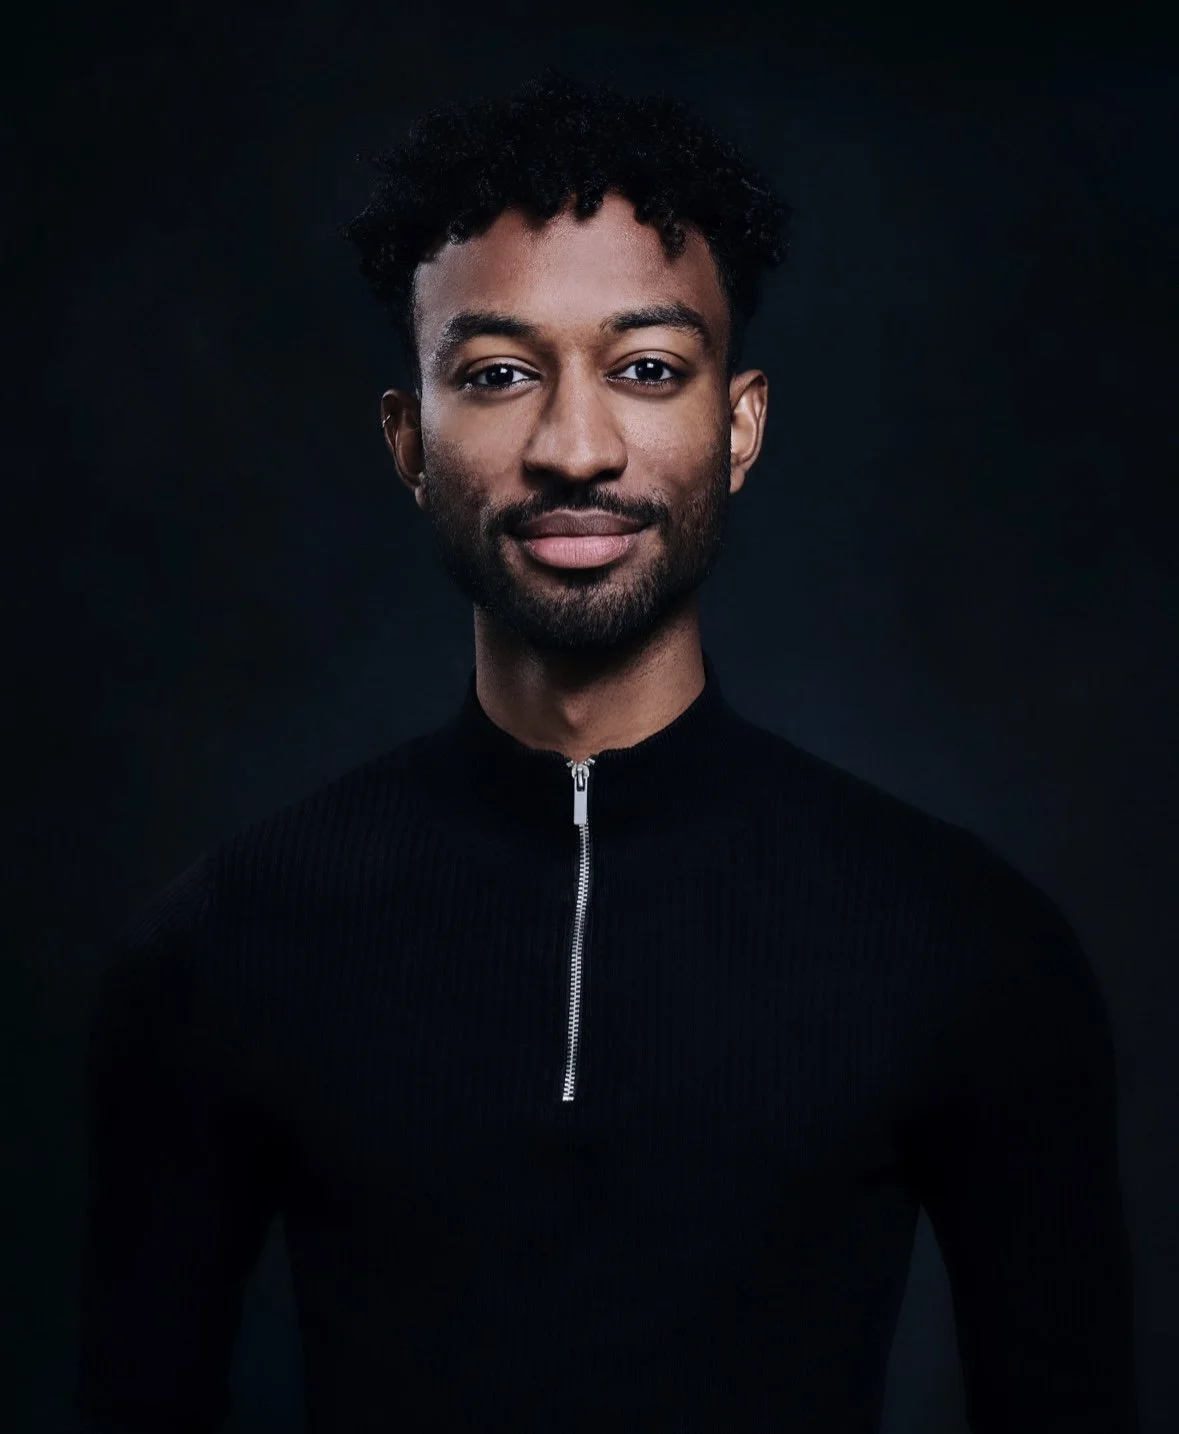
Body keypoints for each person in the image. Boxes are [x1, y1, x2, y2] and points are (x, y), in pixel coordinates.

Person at [74, 69, 1139, 1433]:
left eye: (646, 369)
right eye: (497, 374)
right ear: (409, 440)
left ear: (737, 425)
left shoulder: (967, 942)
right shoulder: (217, 949)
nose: (575, 449)